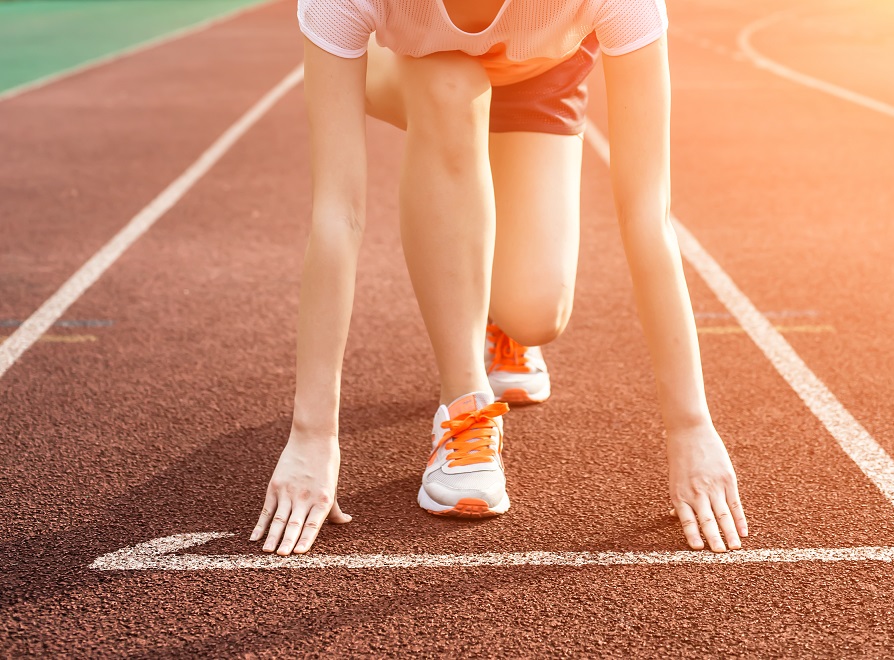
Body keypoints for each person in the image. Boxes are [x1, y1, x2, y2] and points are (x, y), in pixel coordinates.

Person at [249, 0, 749, 556]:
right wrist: (312, 435)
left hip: (539, 74)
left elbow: (646, 214)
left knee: (535, 314)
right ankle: (463, 403)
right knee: (451, 86)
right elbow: (338, 213)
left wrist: (691, 426)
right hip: (417, 69)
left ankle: (494, 314)